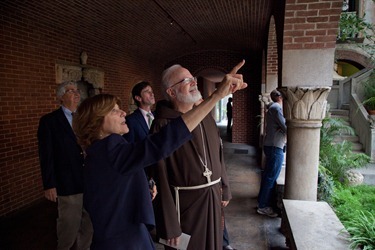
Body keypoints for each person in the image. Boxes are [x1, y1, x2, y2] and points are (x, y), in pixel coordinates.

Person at [72, 61, 247, 250]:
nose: (123, 112)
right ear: (97, 122)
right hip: (124, 238)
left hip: (122, 233)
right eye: (114, 111)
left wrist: (144, 188)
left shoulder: (102, 152)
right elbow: (159, 146)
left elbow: (117, 184)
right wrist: (216, 97)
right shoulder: (110, 149)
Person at [149, 61, 245, 250]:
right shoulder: (162, 126)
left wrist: (224, 186)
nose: (193, 82)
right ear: (171, 92)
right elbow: (159, 178)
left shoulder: (204, 115)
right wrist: (169, 225)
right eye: (186, 80)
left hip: (212, 196)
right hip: (184, 207)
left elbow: (218, 153)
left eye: (193, 78)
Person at [37, 81, 93, 250]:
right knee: (68, 225)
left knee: (88, 225)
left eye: (77, 91)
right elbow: (46, 155)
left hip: (89, 181)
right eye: (71, 91)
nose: (76, 94)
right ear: (61, 97)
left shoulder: (84, 118)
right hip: (67, 183)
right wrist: (49, 184)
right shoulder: (49, 121)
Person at [123, 81, 157, 199]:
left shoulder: (158, 117)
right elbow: (132, 152)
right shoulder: (131, 120)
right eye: (147, 92)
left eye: (152, 91)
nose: (152, 94)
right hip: (146, 175)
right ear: (138, 98)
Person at [257, 89, 286, 217]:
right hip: (275, 147)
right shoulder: (276, 108)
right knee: (271, 177)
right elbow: (286, 127)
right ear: (280, 97)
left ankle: (262, 202)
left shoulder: (272, 107)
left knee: (268, 176)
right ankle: (263, 206)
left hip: (271, 145)